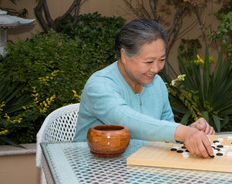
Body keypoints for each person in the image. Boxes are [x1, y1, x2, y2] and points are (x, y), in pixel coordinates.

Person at [74, 19, 215, 158]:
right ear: (124, 55)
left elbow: (165, 129)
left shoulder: (157, 83)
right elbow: (126, 120)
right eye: (148, 62)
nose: (155, 69)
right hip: (92, 170)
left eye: (161, 60)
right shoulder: (99, 85)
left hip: (141, 167)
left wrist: (190, 131)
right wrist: (183, 132)